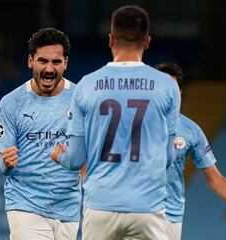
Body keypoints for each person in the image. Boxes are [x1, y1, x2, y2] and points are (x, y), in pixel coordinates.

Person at [50, 5, 181, 240]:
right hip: (148, 207)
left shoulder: (86, 86)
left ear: (110, 40)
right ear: (148, 41)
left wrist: (59, 154)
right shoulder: (167, 86)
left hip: (100, 205)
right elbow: (169, 157)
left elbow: (75, 160)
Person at [155, 62, 226, 240]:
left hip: (169, 217)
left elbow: (215, 178)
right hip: (135, 210)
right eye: (162, 88)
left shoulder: (191, 130)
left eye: (172, 88)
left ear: (180, 93)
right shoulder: (131, 124)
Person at [0, 27, 81, 240]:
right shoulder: (11, 103)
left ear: (65, 64)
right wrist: (6, 163)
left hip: (68, 208)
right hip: (25, 204)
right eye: (43, 61)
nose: (49, 68)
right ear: (30, 61)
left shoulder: (81, 100)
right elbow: (0, 164)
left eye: (56, 62)